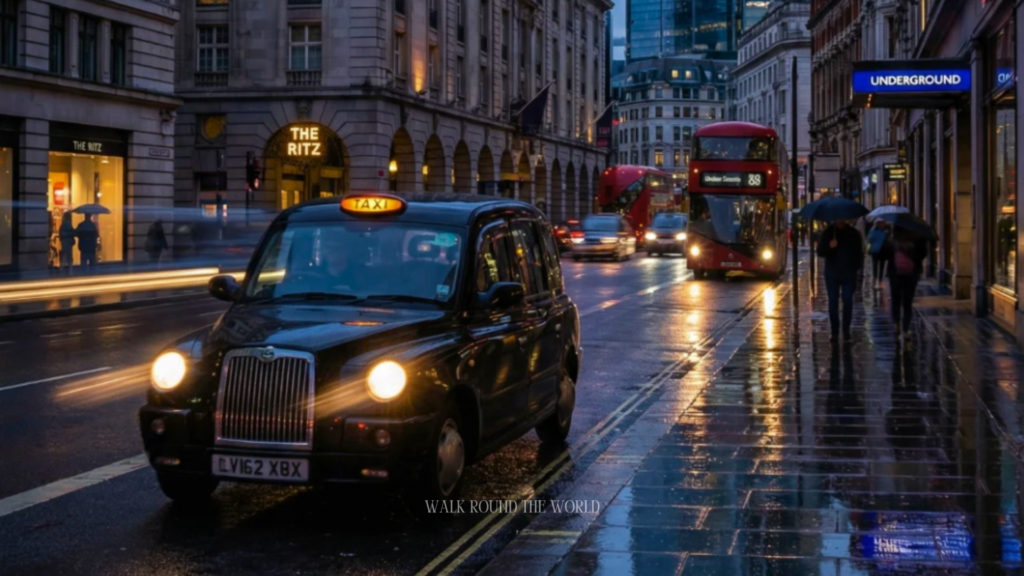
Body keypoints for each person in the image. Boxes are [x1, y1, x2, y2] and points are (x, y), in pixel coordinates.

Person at [816, 219, 863, 342]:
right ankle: (835, 330)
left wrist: (856, 268)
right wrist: (829, 247)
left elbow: (859, 253)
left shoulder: (853, 233)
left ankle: (846, 329)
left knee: (847, 299)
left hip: (848, 273)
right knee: (833, 301)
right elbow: (820, 251)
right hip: (832, 273)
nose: (841, 221)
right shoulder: (828, 232)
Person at [888, 229, 928, 339]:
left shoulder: (893, 237)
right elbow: (923, 253)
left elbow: (886, 254)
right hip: (912, 273)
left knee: (896, 299)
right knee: (907, 302)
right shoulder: (918, 236)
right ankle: (905, 329)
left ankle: (896, 324)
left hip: (895, 273)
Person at [866, 221, 890, 287]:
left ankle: (880, 280)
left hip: (882, 249)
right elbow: (869, 239)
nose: (884, 224)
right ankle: (875, 279)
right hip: (875, 250)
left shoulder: (885, 231)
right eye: (882, 223)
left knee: (882, 265)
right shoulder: (873, 230)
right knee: (875, 265)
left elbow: (887, 240)